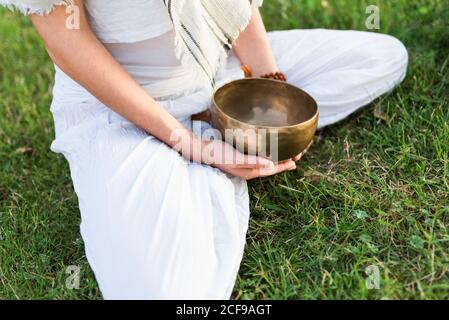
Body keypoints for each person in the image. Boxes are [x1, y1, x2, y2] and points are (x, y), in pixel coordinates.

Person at [0, 0, 408, 299]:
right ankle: (193, 148)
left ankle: (216, 130)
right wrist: (190, 144)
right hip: (121, 108)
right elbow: (67, 42)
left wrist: (268, 90)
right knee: (160, 293)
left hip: (215, 69)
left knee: (382, 58)